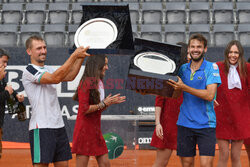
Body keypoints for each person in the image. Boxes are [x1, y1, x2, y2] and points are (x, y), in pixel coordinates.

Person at [22, 35, 90, 167]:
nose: (43, 51)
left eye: (44, 47)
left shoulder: (48, 68)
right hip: (41, 128)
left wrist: (80, 58)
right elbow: (55, 78)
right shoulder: (29, 70)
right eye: (38, 48)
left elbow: (70, 76)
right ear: (29, 51)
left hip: (58, 126)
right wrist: (74, 56)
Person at [167, 34, 221, 167]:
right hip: (185, 123)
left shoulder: (212, 68)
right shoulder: (182, 69)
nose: (195, 49)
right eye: (192, 47)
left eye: (199, 47)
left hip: (206, 125)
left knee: (206, 165)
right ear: (188, 50)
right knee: (187, 164)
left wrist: (184, 87)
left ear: (205, 49)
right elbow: (175, 95)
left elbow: (209, 95)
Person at [71, 54, 126, 167]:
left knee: (105, 164)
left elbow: (97, 109)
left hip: (95, 130)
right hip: (84, 131)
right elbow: (84, 109)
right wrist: (103, 103)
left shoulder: (97, 82)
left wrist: (108, 103)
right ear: (97, 65)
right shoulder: (86, 82)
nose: (107, 67)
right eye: (105, 64)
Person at [150, 42, 192, 167]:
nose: (190, 56)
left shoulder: (193, 74)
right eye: (188, 53)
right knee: (161, 162)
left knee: (188, 163)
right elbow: (159, 101)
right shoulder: (167, 74)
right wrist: (158, 123)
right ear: (182, 55)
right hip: (168, 125)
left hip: (186, 124)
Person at [215, 40, 250, 167]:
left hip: (240, 118)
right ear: (226, 53)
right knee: (223, 155)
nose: (233, 55)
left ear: (240, 54)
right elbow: (207, 84)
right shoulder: (217, 67)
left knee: (236, 156)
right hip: (222, 117)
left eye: (236, 52)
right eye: (230, 52)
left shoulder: (247, 68)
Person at [0, 48, 24, 159]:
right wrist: (6, 92)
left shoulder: (1, 77)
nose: (6, 65)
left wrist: (16, 95)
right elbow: (5, 91)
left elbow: (7, 88)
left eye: (6, 62)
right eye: (3, 62)